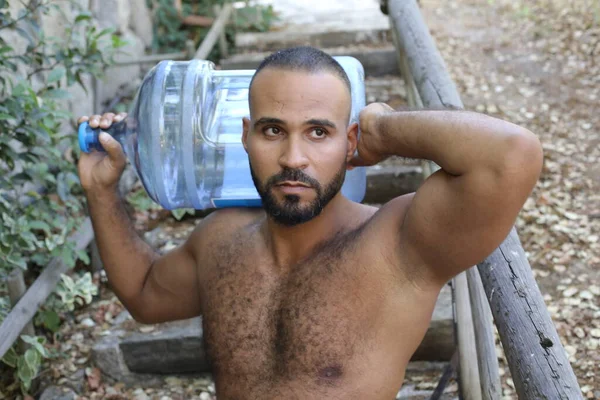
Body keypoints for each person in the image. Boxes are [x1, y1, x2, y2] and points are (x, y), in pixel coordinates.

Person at [77, 46, 543, 399]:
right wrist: (101, 191)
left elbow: (511, 156)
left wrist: (382, 130)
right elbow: (143, 293)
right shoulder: (219, 240)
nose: (293, 158)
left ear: (350, 140)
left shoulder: (398, 245)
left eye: (318, 132)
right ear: (245, 137)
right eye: (273, 130)